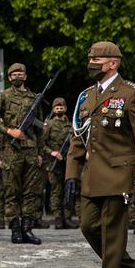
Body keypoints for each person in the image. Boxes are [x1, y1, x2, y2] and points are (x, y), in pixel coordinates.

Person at [65, 41, 135, 268]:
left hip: (120, 175)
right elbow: (78, 140)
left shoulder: (132, 93)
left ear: (113, 63)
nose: (91, 62)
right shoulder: (86, 96)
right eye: (89, 58)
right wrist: (72, 174)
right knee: (88, 226)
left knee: (112, 235)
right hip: (92, 177)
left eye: (97, 59)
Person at [0, 63, 44, 245]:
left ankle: (27, 228)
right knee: (12, 191)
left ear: (25, 76)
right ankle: (15, 229)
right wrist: (9, 131)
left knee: (31, 192)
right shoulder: (3, 97)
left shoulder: (34, 98)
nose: (17, 76)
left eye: (20, 73)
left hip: (31, 150)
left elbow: (40, 127)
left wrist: (41, 152)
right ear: (10, 78)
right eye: (14, 74)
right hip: (11, 151)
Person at [42, 97, 78, 229]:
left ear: (65, 109)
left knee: (68, 190)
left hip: (68, 162)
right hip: (54, 162)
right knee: (56, 191)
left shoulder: (70, 126)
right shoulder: (49, 125)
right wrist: (52, 152)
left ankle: (67, 217)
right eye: (57, 108)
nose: (59, 110)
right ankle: (58, 218)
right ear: (53, 110)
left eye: (61, 108)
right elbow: (42, 143)